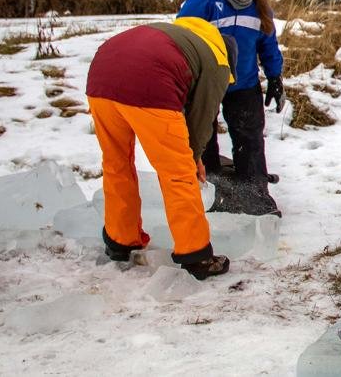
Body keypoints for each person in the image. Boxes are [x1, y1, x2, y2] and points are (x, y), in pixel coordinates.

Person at [86, 17, 235, 280]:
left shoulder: (178, 34)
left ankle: (121, 241)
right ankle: (196, 255)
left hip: (101, 77)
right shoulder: (217, 61)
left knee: (116, 164)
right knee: (178, 171)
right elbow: (202, 118)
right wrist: (195, 156)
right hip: (149, 83)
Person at [178, 0, 285, 217]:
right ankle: (215, 195)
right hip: (206, 85)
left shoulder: (257, 5)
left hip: (244, 83)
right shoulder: (202, 2)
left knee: (249, 140)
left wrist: (274, 76)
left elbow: (268, 43)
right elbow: (180, 42)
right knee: (204, 141)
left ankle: (255, 196)